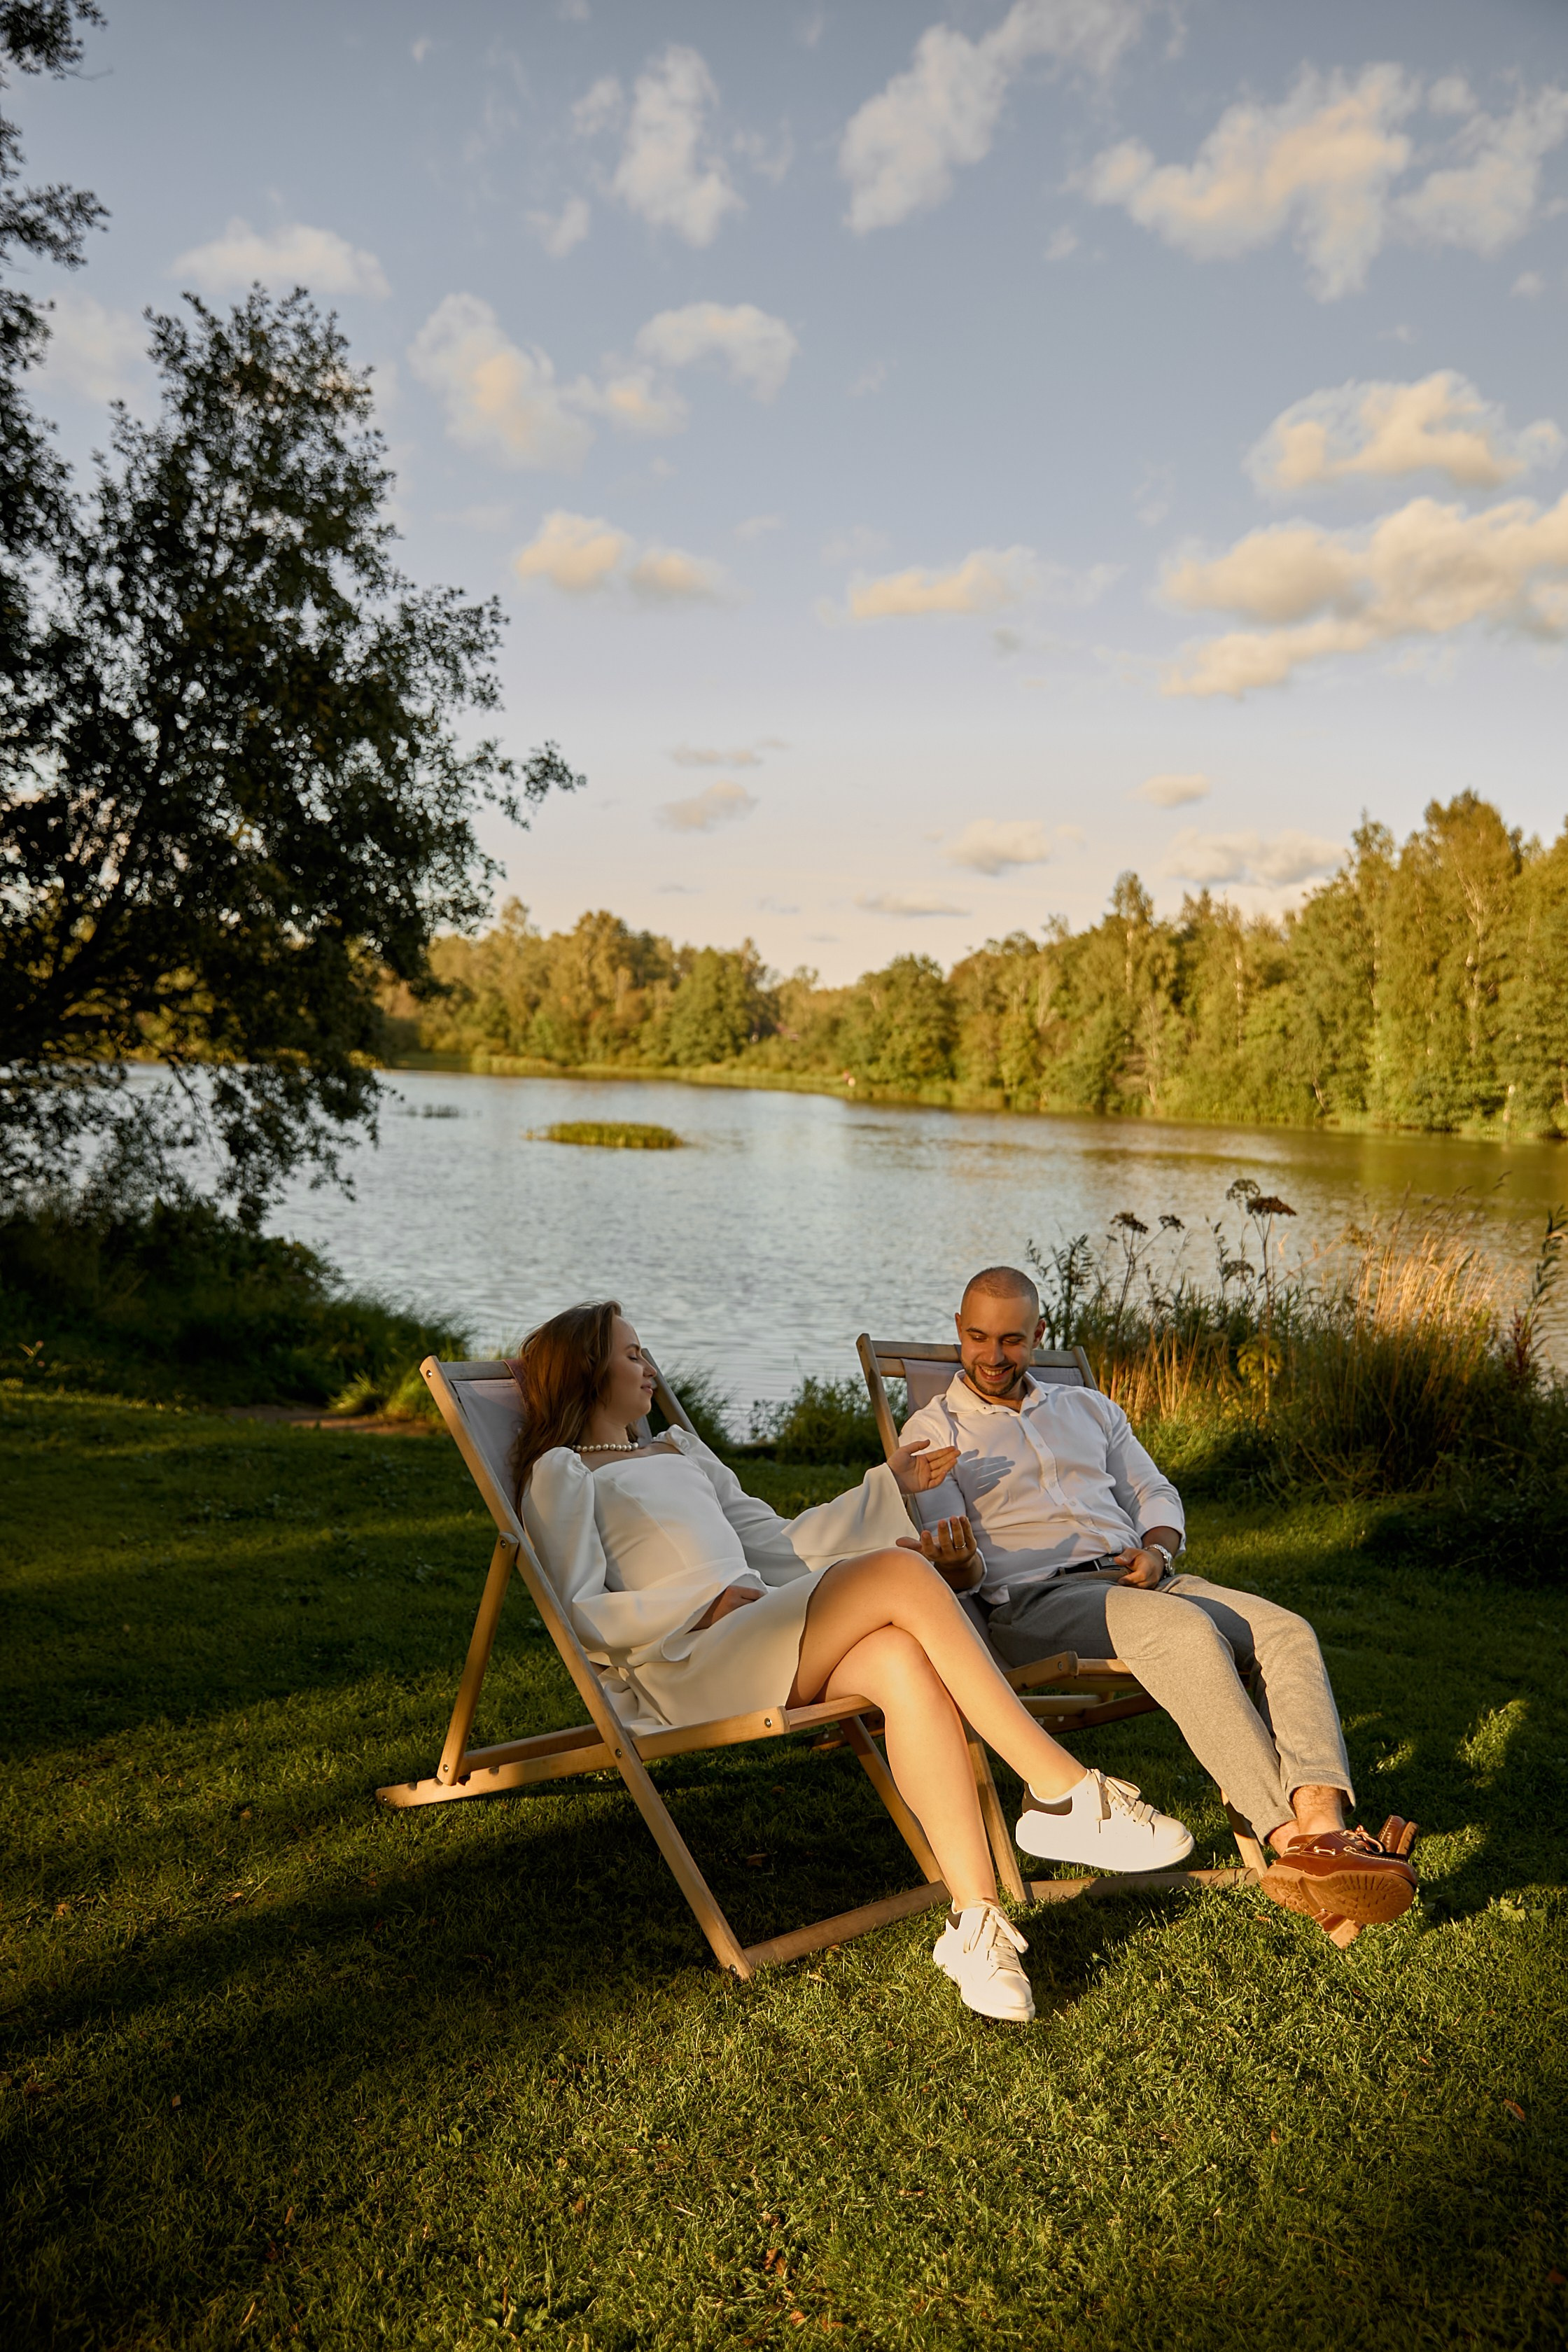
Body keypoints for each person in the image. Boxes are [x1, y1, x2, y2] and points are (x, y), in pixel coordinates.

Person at [512, 1301, 1196, 2022]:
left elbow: (778, 1543)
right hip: (689, 1660)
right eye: (630, 1355)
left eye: (644, 1352)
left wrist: (889, 1485)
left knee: (900, 1656)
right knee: (902, 1577)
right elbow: (577, 1609)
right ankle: (1059, 1788)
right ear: (587, 1372)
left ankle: (975, 1921)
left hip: (756, 1632)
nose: (648, 1367)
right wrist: (695, 1607)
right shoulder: (562, 1471)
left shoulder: (681, 1450)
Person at [897, 1266, 1420, 1947]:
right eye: (977, 1338)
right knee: (1187, 1635)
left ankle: (1321, 1827)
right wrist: (954, 1555)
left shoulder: (1089, 1409)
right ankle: (1290, 1841)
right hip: (1033, 1600)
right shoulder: (930, 1431)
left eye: (1012, 1340)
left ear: (1039, 1336)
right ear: (957, 1332)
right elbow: (957, 1571)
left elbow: (1154, 1492)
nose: (993, 1357)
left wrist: (1157, 1549)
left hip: (1141, 1577)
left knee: (1285, 1632)